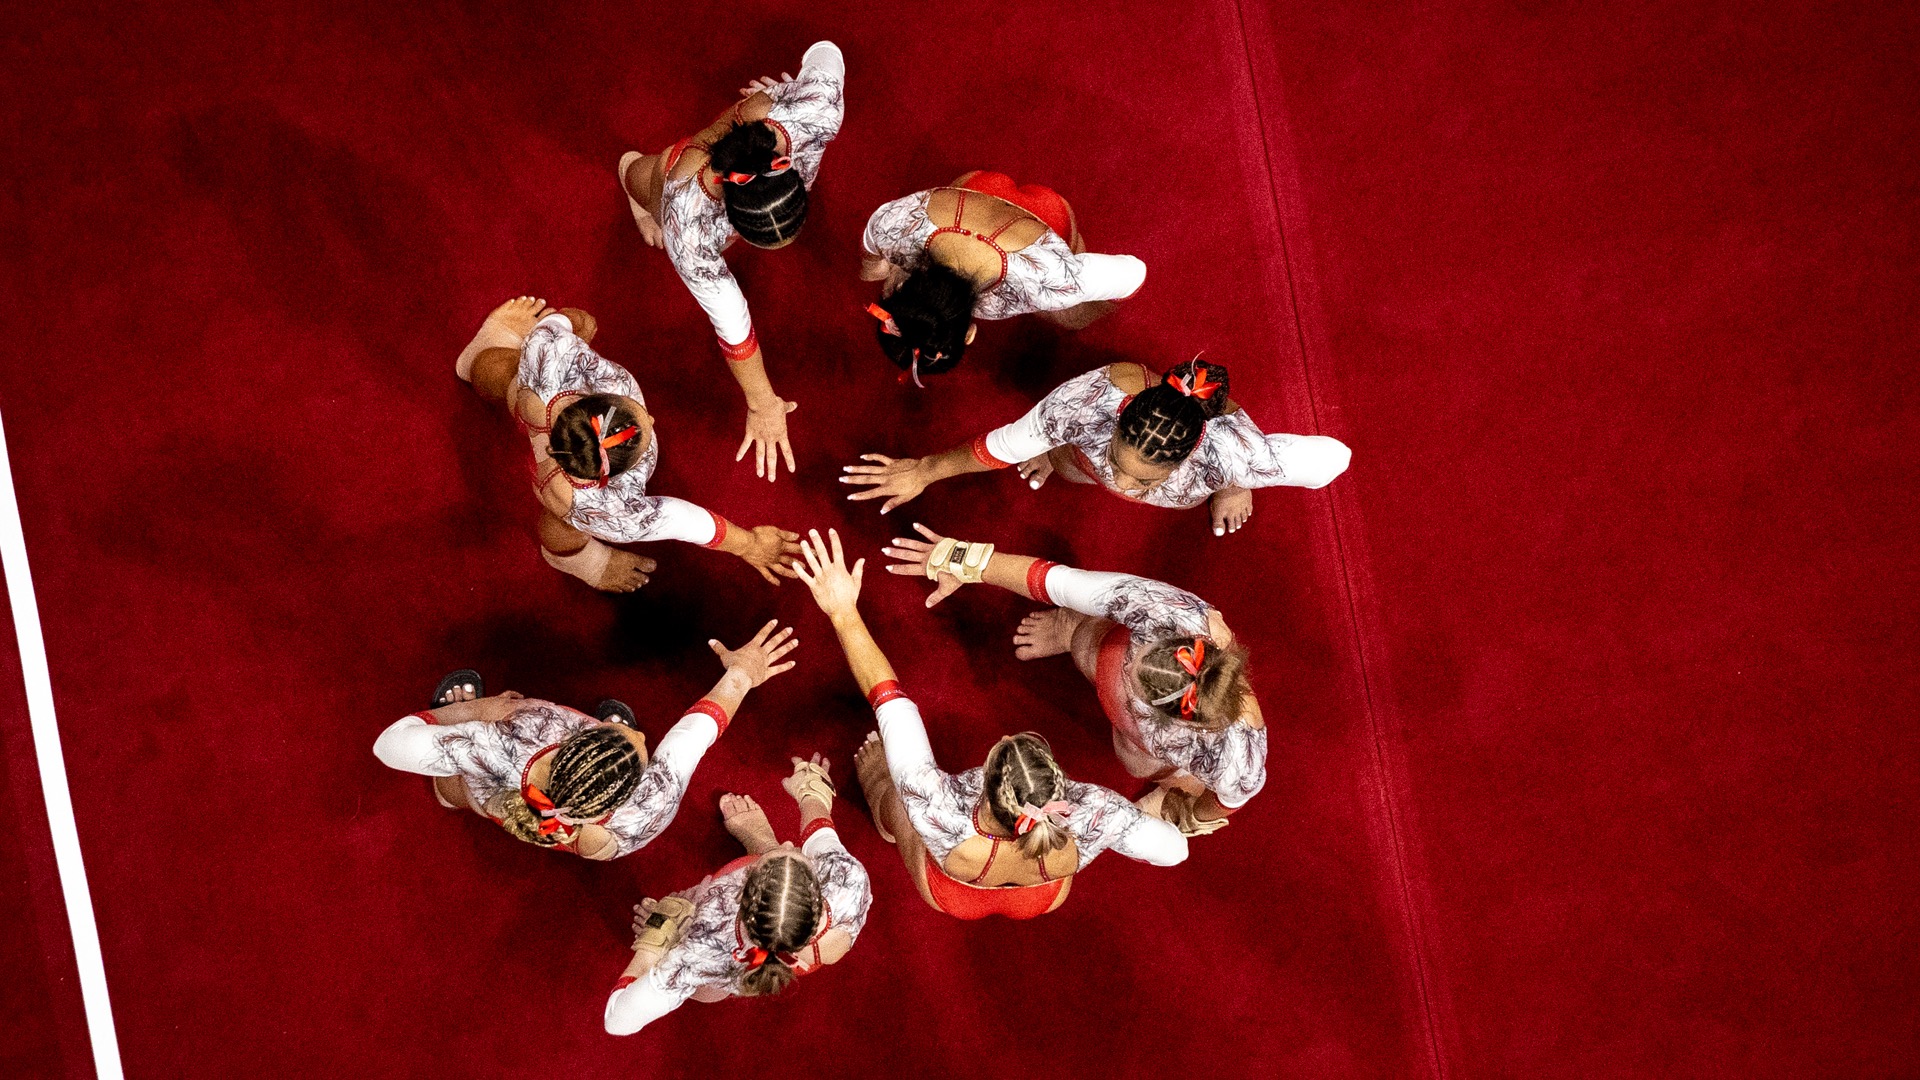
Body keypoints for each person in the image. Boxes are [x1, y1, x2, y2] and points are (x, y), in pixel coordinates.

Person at [788, 529, 1186, 919]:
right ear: (1061, 783)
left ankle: (882, 810)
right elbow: (1174, 851)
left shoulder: (937, 807)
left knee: (894, 798)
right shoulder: (1098, 813)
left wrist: (842, 611)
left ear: (984, 779)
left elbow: (890, 701)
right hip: (1042, 895)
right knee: (909, 796)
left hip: (951, 890)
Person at [880, 526, 1264, 835]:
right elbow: (1056, 582)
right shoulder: (1168, 612)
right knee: (1091, 645)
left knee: (1134, 762)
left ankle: (1162, 772)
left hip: (1149, 745)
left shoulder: (1236, 756)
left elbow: (1230, 797)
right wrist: (964, 561)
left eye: (1135, 687)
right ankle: (1068, 630)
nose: (1128, 668)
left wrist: (1188, 811)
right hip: (1104, 655)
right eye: (1141, 654)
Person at [454, 296, 802, 592]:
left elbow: (555, 326)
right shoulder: (613, 510)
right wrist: (750, 546)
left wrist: (573, 324)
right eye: (645, 422)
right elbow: (685, 521)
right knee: (564, 527)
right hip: (562, 502)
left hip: (530, 405)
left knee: (505, 373)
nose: (650, 420)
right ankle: (574, 560)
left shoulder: (549, 355)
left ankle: (477, 361)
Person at [617, 41, 847, 481]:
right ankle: (633, 184)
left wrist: (794, 91)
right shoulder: (688, 222)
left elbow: (826, 51)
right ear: (732, 222)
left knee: (761, 109)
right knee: (642, 176)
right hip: (681, 170)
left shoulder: (818, 111)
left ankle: (754, 114)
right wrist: (763, 403)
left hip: (761, 121)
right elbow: (732, 322)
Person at [370, 621, 797, 859]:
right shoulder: (650, 807)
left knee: (462, 783)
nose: (641, 731)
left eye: (621, 731)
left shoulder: (520, 730)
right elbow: (695, 732)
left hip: (490, 785)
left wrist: (477, 711)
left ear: (572, 743)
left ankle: (447, 793)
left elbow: (387, 745)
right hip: (583, 839)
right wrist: (742, 675)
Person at [841, 357, 1351, 536]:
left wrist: (1239, 483)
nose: (1123, 486)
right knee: (1062, 456)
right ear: (1118, 419)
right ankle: (1066, 451)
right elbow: (1000, 444)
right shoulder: (1085, 402)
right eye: (1120, 464)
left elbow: (1334, 457)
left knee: (1232, 469)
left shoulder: (1236, 451)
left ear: (1193, 451)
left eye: (1142, 482)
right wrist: (926, 470)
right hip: (1078, 449)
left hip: (1218, 467)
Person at [604, 755, 871, 1035]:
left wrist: (654, 945)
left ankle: (762, 846)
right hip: (805, 948)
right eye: (794, 852)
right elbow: (821, 833)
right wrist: (811, 789)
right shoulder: (847, 879)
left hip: (715, 957)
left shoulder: (705, 936)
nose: (791, 843)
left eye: (778, 854)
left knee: (705, 987)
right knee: (723, 979)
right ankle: (764, 842)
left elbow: (617, 1021)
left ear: (742, 891)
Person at [860, 171, 1145, 383]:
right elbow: (871, 255)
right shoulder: (891, 227)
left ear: (970, 333)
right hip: (975, 184)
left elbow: (1135, 273)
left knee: (1071, 316)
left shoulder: (1051, 280)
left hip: (1047, 213)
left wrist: (1078, 296)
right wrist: (881, 266)